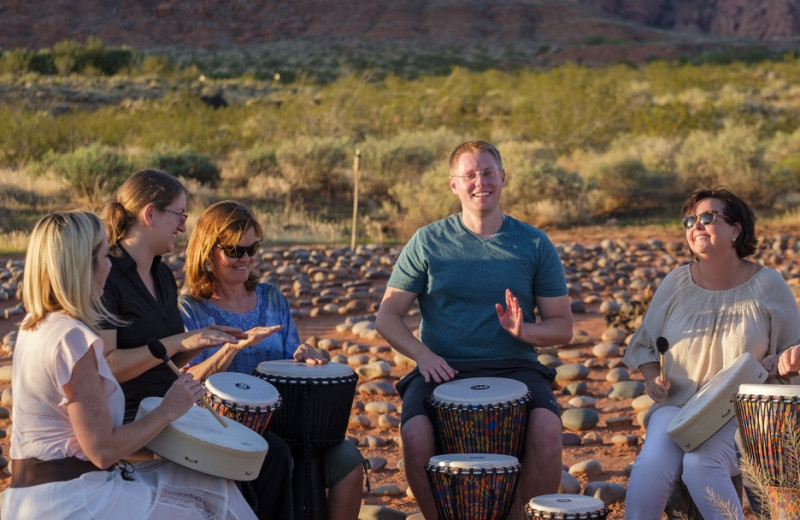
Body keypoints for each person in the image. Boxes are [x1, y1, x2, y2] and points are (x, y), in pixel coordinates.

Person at [1, 210, 256, 519]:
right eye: (104, 256)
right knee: (212, 504)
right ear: (82, 266)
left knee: (214, 486)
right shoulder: (71, 339)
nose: (110, 267)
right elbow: (102, 450)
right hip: (73, 500)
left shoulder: (35, 326)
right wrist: (169, 409)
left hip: (41, 494)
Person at [374, 139, 574, 520]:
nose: (480, 182)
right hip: (442, 367)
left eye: (488, 173)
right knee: (415, 437)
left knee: (548, 429)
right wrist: (423, 355)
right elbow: (387, 316)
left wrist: (525, 331)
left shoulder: (534, 242)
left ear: (503, 177)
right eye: (469, 175)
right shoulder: (427, 241)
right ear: (454, 184)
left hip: (516, 365)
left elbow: (563, 327)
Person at [98, 170, 295, 520]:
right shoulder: (107, 275)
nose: (183, 227)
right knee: (254, 459)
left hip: (176, 407)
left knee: (272, 453)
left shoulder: (160, 274)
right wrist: (182, 340)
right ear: (150, 214)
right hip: (138, 417)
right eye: (179, 215)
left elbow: (169, 356)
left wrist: (210, 340)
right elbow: (108, 365)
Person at [178, 200, 365, 520]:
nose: (246, 259)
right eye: (235, 251)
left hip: (287, 420)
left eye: (252, 248)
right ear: (208, 251)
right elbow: (186, 379)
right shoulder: (190, 309)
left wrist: (309, 357)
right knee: (278, 455)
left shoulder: (271, 296)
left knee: (348, 460)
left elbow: (292, 359)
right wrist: (233, 347)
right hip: (224, 427)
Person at [622, 187, 800, 519]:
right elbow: (644, 345)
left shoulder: (768, 284)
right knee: (650, 465)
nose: (696, 226)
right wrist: (651, 380)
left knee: (700, 463)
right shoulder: (675, 282)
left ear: (736, 229)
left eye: (708, 217)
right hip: (677, 408)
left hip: (740, 415)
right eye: (690, 220)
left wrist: (785, 362)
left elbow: (794, 349)